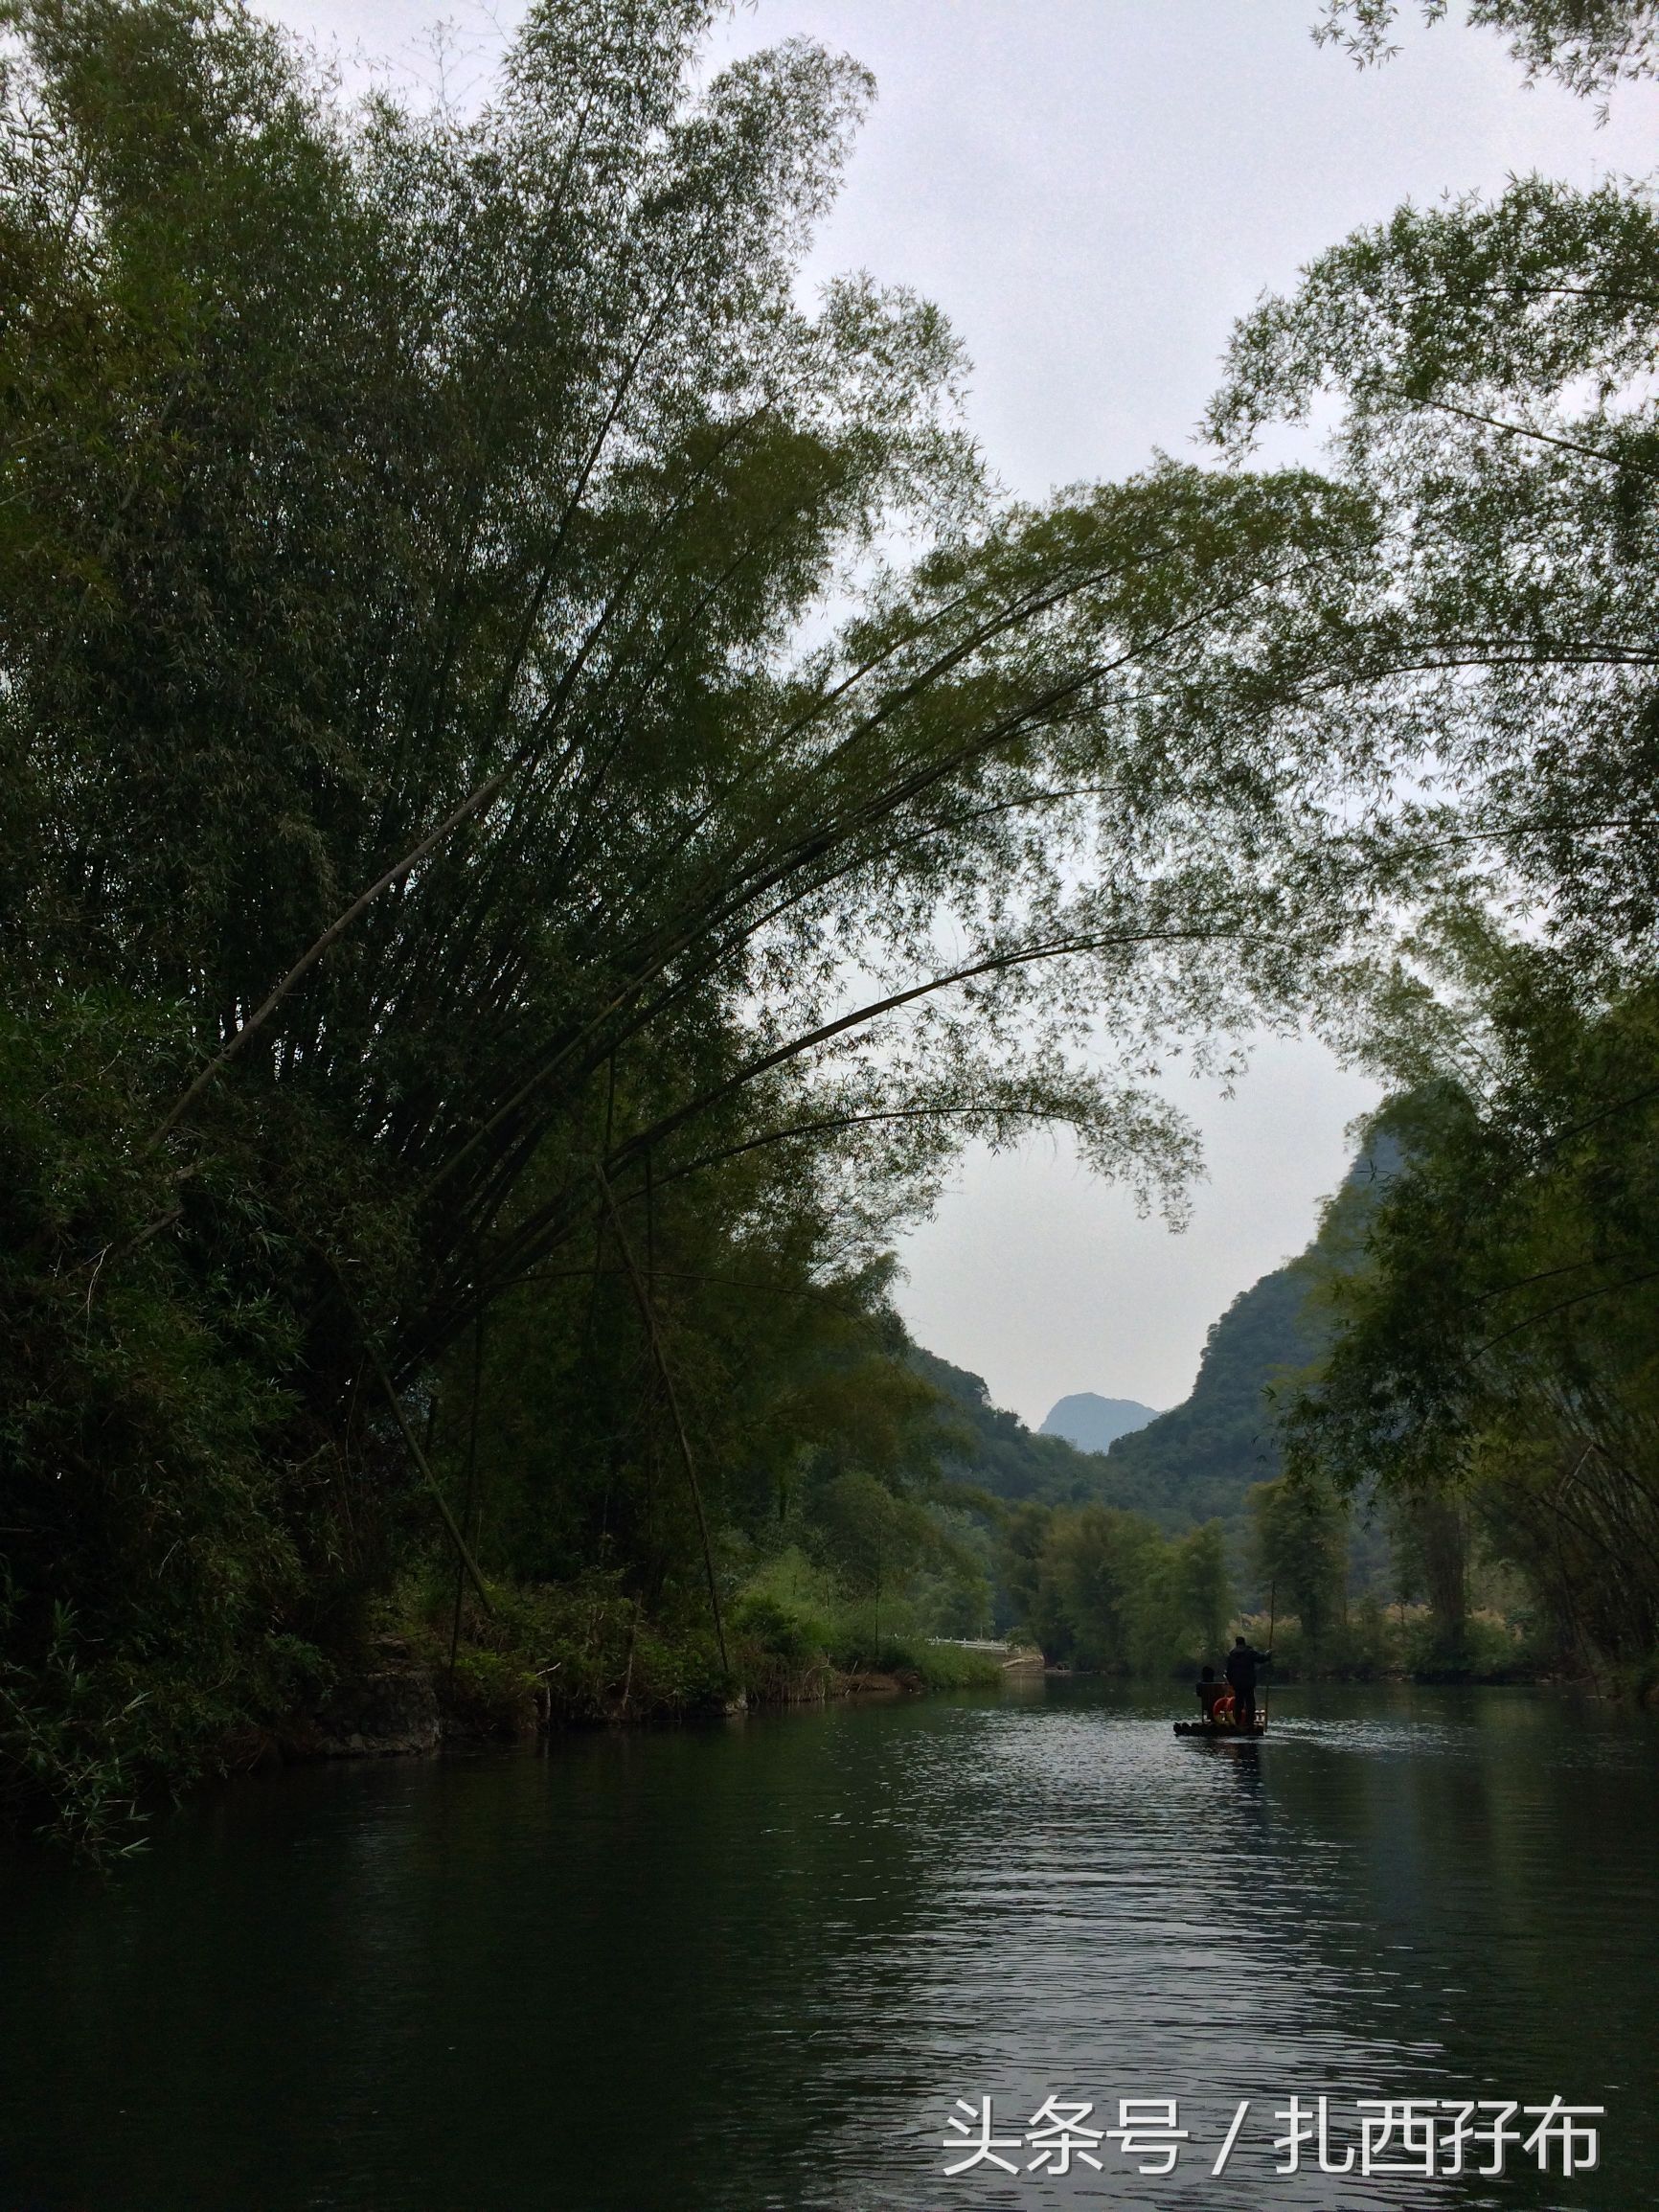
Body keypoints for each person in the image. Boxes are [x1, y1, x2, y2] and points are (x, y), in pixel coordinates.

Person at [1223, 1634, 1273, 1733]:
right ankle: (1249, 1723)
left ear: (1236, 1643)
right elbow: (1262, 1659)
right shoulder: (1249, 1652)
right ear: (1244, 1642)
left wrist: (1232, 1682)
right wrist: (1269, 1653)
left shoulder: (1231, 1655)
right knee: (1250, 1703)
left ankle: (1237, 1722)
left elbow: (1228, 1672)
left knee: (1238, 1703)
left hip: (1237, 1684)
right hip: (1248, 1683)